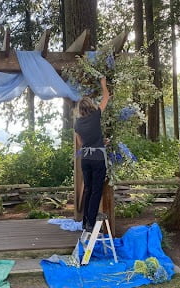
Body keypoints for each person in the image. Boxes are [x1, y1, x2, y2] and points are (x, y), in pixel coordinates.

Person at [74, 77, 110, 232]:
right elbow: (106, 98)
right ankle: (90, 222)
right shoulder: (96, 116)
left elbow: (81, 144)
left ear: (80, 109)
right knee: (96, 190)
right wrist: (103, 83)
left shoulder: (77, 123)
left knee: (88, 189)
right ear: (90, 106)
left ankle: (84, 221)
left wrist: (100, 142)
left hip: (85, 159)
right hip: (97, 158)